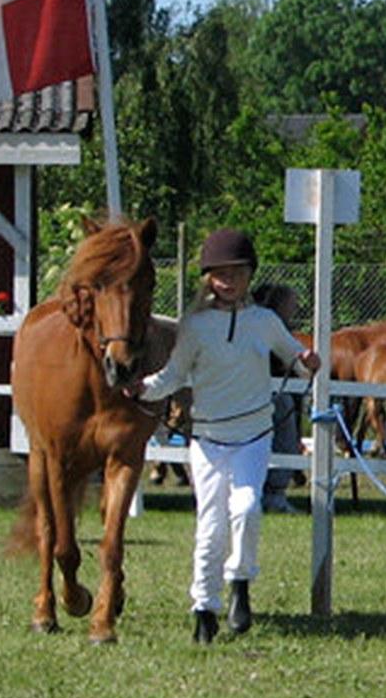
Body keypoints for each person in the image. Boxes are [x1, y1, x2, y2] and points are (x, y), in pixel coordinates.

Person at [125, 229, 320, 644]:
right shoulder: (195, 326)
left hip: (252, 434)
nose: (228, 281)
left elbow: (295, 360)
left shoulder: (264, 322)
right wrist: (144, 388)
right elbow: (174, 375)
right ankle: (204, 608)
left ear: (250, 275)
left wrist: (307, 363)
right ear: (208, 278)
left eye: (236, 273)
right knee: (210, 525)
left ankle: (241, 583)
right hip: (208, 439)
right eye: (219, 274)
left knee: (247, 508)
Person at [252, 283, 305, 514]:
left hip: (271, 391)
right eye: (291, 303)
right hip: (273, 393)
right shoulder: (273, 327)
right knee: (283, 441)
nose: (295, 308)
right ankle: (274, 494)